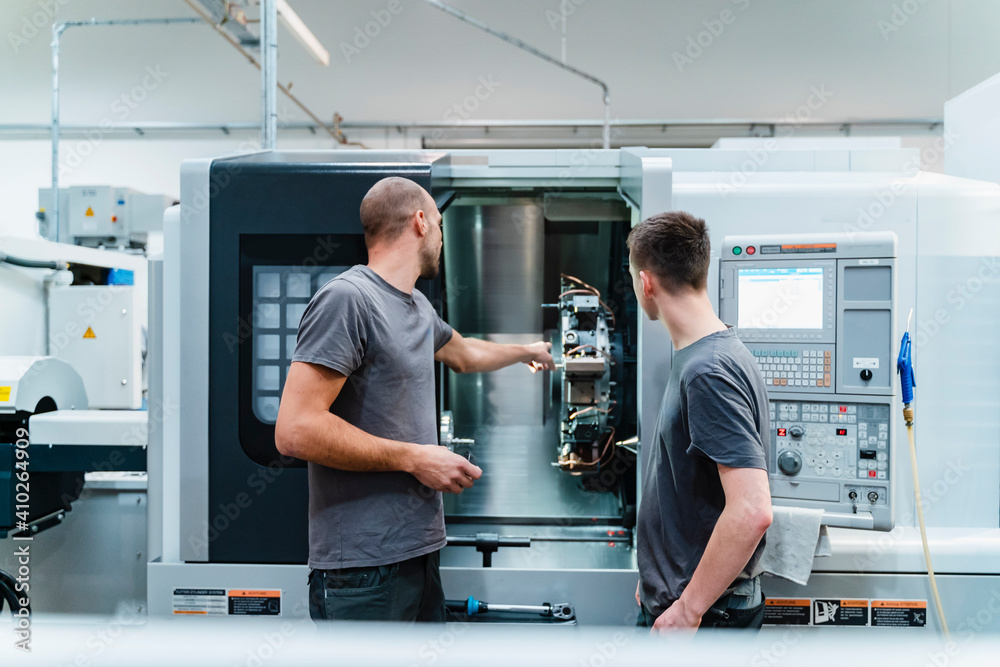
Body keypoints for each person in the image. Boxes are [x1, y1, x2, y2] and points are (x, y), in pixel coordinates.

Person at [274, 176, 554, 623]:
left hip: (418, 554)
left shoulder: (416, 306)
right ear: (420, 222)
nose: (441, 237)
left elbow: (464, 354)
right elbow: (295, 430)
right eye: (440, 224)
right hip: (362, 570)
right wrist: (416, 458)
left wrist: (526, 351)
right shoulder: (348, 300)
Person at [628, 211, 773, 633]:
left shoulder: (707, 370)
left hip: (708, 616)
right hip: (688, 599)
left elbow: (752, 510)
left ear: (646, 283)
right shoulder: (709, 354)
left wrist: (689, 608)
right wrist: (658, 574)